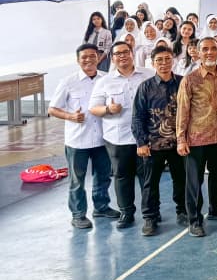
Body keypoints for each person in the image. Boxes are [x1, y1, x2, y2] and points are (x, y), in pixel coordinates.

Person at [50, 44, 117, 229]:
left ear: (98, 57)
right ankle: (78, 214)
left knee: (103, 175)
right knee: (77, 179)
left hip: (102, 138)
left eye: (92, 56)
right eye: (84, 57)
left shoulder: (107, 79)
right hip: (77, 140)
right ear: (78, 60)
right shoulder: (68, 82)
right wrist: (71, 116)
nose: (88, 60)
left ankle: (101, 206)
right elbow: (52, 109)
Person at [89, 40, 154, 228]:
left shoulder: (147, 75)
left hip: (146, 137)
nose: (122, 56)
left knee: (148, 177)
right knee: (122, 176)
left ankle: (150, 214)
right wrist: (108, 109)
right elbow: (93, 108)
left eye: (125, 52)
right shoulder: (105, 81)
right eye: (117, 53)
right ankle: (126, 212)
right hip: (118, 137)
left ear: (132, 53)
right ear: (112, 57)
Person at [176, 36, 217, 237]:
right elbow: (182, 111)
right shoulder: (189, 79)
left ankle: (216, 207)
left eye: (213, 49)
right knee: (194, 182)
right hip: (196, 139)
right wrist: (181, 139)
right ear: (197, 53)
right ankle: (195, 219)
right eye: (205, 49)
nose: (209, 52)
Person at [131, 44, 186, 236]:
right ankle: (150, 217)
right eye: (159, 60)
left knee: (181, 179)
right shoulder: (145, 87)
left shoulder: (182, 83)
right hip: (153, 144)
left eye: (167, 59)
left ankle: (183, 211)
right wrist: (141, 142)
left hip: (179, 143)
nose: (164, 64)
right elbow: (137, 117)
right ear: (153, 63)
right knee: (150, 183)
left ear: (173, 60)